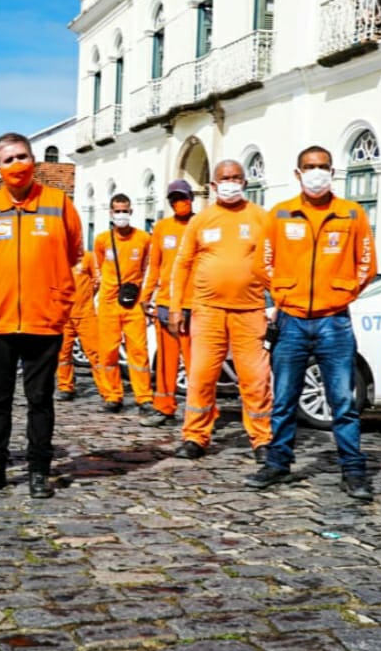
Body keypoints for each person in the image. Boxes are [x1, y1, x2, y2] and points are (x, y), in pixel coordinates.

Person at [245, 146, 376, 500]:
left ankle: (353, 471)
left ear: (332, 172)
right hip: (291, 321)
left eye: (322, 167)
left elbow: (366, 263)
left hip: (334, 322)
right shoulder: (281, 214)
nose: (316, 172)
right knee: (284, 398)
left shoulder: (351, 214)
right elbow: (263, 262)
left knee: (343, 402)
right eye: (309, 167)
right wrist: (283, 293)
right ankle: (277, 464)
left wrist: (344, 292)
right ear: (298, 173)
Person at [0, 132, 82, 499]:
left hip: (43, 317)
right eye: (9, 159)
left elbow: (74, 252)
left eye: (23, 157)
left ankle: (38, 470)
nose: (17, 165)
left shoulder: (58, 203)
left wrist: (58, 296)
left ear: (33, 161)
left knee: (40, 400)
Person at [169, 159, 273, 461]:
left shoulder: (261, 218)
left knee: (256, 380)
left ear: (245, 182)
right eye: (224, 178)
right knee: (201, 377)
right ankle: (195, 436)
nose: (230, 182)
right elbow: (183, 265)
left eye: (236, 177)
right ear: (214, 185)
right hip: (207, 311)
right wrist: (176, 307)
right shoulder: (201, 221)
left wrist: (276, 303)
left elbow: (275, 263)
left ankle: (262, 439)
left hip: (250, 311)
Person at [140, 180, 197, 428]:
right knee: (165, 362)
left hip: (192, 304)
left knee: (196, 365)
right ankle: (164, 407)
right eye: (174, 199)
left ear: (191, 198)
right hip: (164, 303)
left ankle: (201, 413)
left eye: (182, 198)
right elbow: (155, 265)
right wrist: (146, 295)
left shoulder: (201, 224)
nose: (179, 203)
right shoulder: (162, 228)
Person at [95, 194, 153, 415]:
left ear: (131, 211)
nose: (121, 214)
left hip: (133, 302)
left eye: (125, 210)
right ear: (111, 213)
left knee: (138, 351)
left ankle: (144, 397)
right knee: (107, 352)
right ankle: (112, 395)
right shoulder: (102, 240)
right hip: (109, 302)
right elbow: (100, 265)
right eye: (117, 211)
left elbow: (147, 267)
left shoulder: (143, 239)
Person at [56, 250, 110, 403]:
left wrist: (86, 297)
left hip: (85, 314)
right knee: (63, 354)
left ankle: (107, 391)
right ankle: (65, 387)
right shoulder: (58, 257)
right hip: (64, 314)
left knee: (96, 354)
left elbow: (96, 281)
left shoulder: (87, 257)